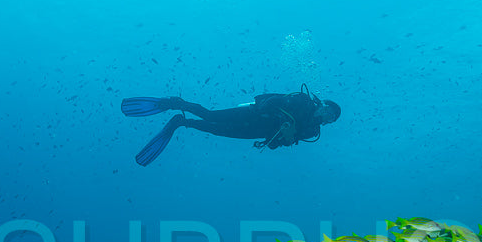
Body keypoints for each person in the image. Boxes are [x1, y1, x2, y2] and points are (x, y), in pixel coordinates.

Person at [122, 85, 341, 166]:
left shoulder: (312, 131)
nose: (327, 117)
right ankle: (176, 103)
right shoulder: (302, 101)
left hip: (256, 131)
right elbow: (273, 101)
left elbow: (279, 144)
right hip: (252, 114)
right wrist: (275, 115)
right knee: (210, 115)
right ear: (322, 104)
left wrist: (285, 136)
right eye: (328, 111)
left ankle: (181, 122)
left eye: (331, 119)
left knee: (215, 130)